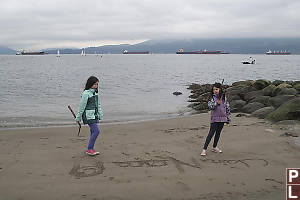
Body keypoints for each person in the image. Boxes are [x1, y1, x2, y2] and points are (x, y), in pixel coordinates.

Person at [76, 76, 103, 156]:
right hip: (88, 116)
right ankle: (89, 149)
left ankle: (91, 148)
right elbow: (82, 106)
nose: (96, 86)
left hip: (94, 115)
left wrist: (100, 114)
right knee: (96, 131)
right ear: (90, 84)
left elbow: (98, 105)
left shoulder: (95, 93)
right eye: (94, 84)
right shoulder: (85, 94)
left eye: (97, 84)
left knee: (93, 131)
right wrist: (78, 117)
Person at [201, 82, 230, 156]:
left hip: (223, 118)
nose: (215, 91)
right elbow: (210, 106)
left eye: (216, 89)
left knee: (218, 133)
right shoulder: (212, 98)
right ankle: (204, 149)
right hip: (215, 118)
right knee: (211, 134)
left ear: (220, 89)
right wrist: (216, 103)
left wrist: (228, 118)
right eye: (214, 90)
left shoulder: (224, 98)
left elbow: (227, 108)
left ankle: (214, 147)